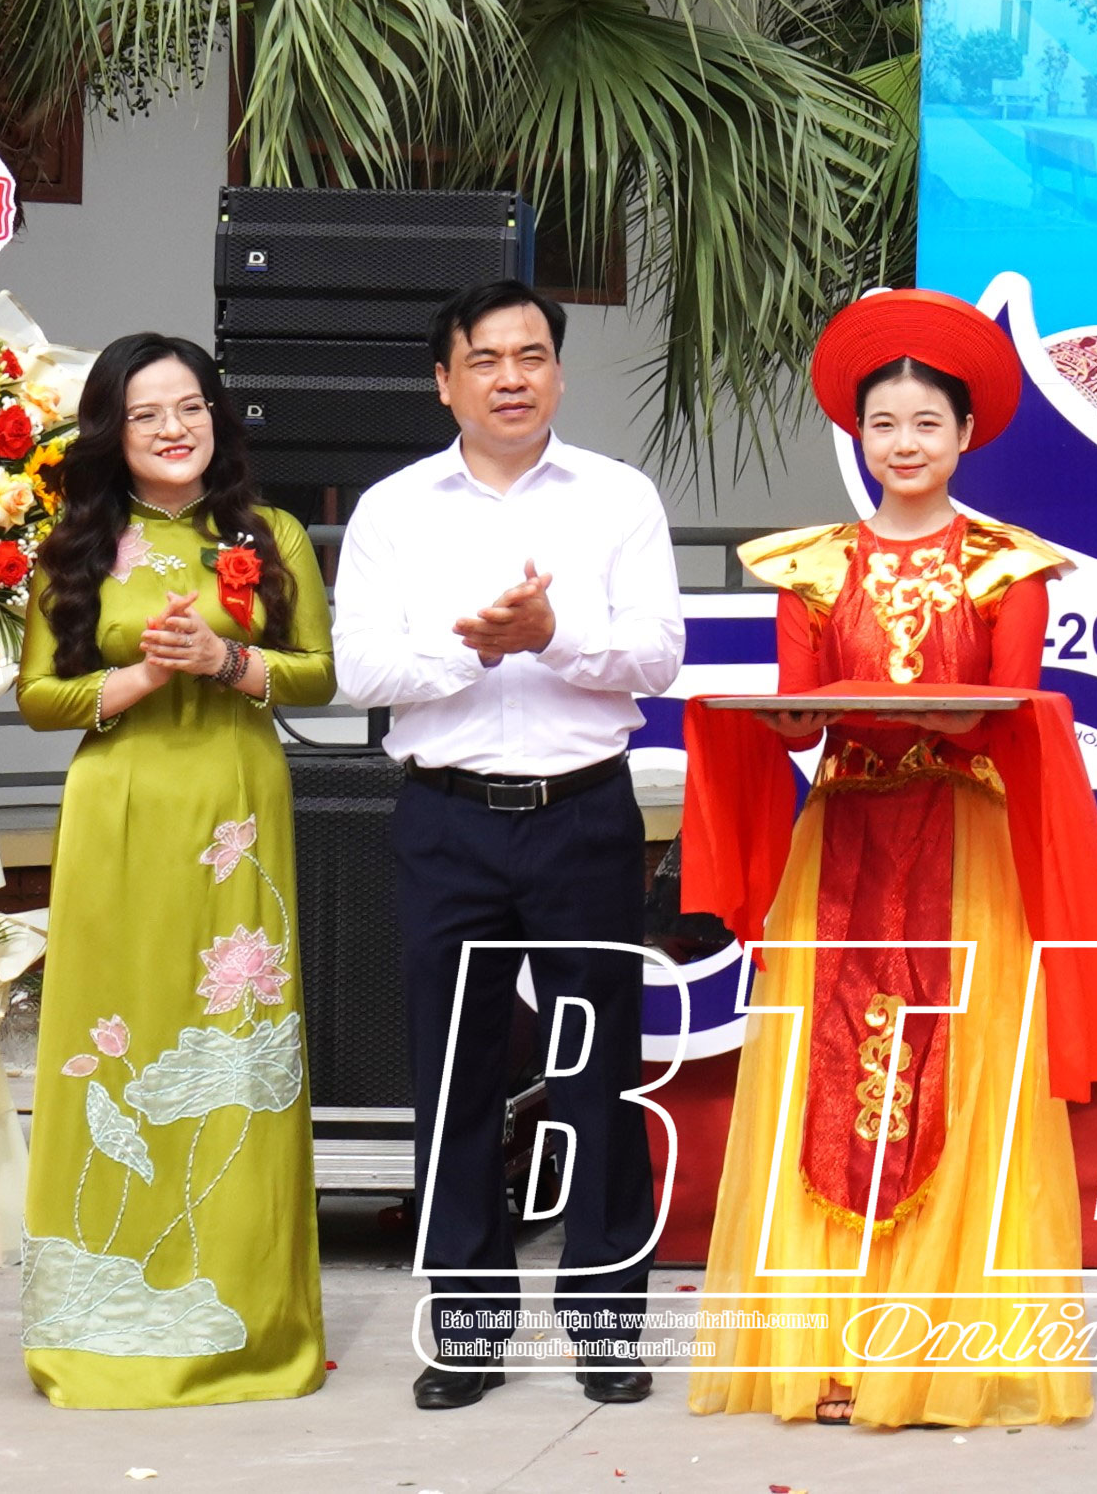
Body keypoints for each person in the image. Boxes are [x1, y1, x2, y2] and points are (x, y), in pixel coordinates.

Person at [674, 290, 1097, 1429]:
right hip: (843, 837)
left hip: (962, 839)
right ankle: (829, 1349)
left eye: (928, 422)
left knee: (960, 1072)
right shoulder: (814, 566)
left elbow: (1007, 712)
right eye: (885, 423)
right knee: (822, 1077)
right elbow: (800, 718)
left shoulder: (1005, 566)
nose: (906, 442)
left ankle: (939, 1354)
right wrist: (793, 722)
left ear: (965, 433)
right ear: (858, 435)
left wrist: (915, 711)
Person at [333, 281, 683, 1409]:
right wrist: (478, 648)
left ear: (559, 373)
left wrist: (554, 632)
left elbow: (658, 653)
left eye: (532, 355)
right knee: (455, 1078)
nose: (511, 377)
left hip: (585, 812)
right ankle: (468, 1332)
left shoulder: (619, 496)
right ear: (445, 382)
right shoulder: (393, 509)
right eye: (484, 359)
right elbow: (360, 670)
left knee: (598, 1070)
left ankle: (607, 1327)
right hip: (446, 819)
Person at [15, 335, 334, 1406]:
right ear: (114, 430)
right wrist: (145, 673)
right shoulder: (76, 543)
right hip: (120, 807)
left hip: (235, 806)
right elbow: (39, 696)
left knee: (234, 1043)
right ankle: (98, 1323)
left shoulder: (271, 533)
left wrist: (227, 660)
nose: (172, 428)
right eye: (147, 412)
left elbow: (318, 674)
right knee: (112, 1032)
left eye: (190, 405)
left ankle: (251, 1322)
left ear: (216, 415)